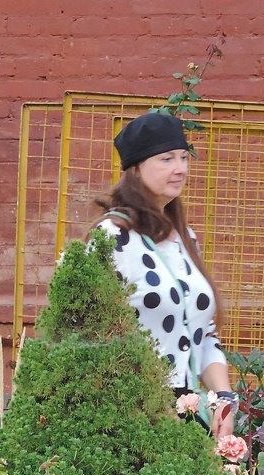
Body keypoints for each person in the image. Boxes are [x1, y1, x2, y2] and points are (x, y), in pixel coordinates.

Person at [94, 112, 235, 437]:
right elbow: (90, 337)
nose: (180, 168)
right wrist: (145, 402)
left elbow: (205, 334)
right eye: (167, 158)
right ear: (136, 168)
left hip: (186, 413)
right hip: (129, 413)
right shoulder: (111, 237)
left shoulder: (187, 239)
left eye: (184, 158)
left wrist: (222, 401)